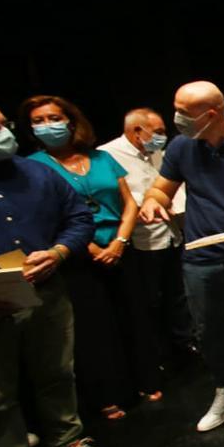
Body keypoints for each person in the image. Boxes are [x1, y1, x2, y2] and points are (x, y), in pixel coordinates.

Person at [0, 95, 114, 447]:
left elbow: (79, 219)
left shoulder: (36, 173)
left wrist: (60, 251)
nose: (3, 134)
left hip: (46, 292)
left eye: (2, 124)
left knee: (56, 372)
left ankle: (66, 440)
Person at [139, 81, 224, 431]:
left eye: (184, 112)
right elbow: (161, 188)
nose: (177, 118)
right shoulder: (183, 147)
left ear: (211, 114)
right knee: (208, 329)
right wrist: (155, 201)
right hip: (200, 254)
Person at [22, 96, 144, 420]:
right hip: (78, 256)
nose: (47, 125)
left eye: (53, 117)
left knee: (132, 317)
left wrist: (119, 241)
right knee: (94, 328)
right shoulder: (34, 166)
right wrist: (90, 248)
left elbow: (129, 202)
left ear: (71, 121)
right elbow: (50, 216)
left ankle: (143, 380)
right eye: (38, 120)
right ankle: (107, 394)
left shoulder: (102, 157)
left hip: (119, 246)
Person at [99, 108, 192, 390]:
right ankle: (157, 358)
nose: (162, 137)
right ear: (137, 131)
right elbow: (126, 199)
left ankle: (183, 350)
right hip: (141, 242)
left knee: (177, 297)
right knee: (148, 302)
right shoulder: (109, 155)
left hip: (171, 235)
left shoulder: (156, 152)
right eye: (158, 131)